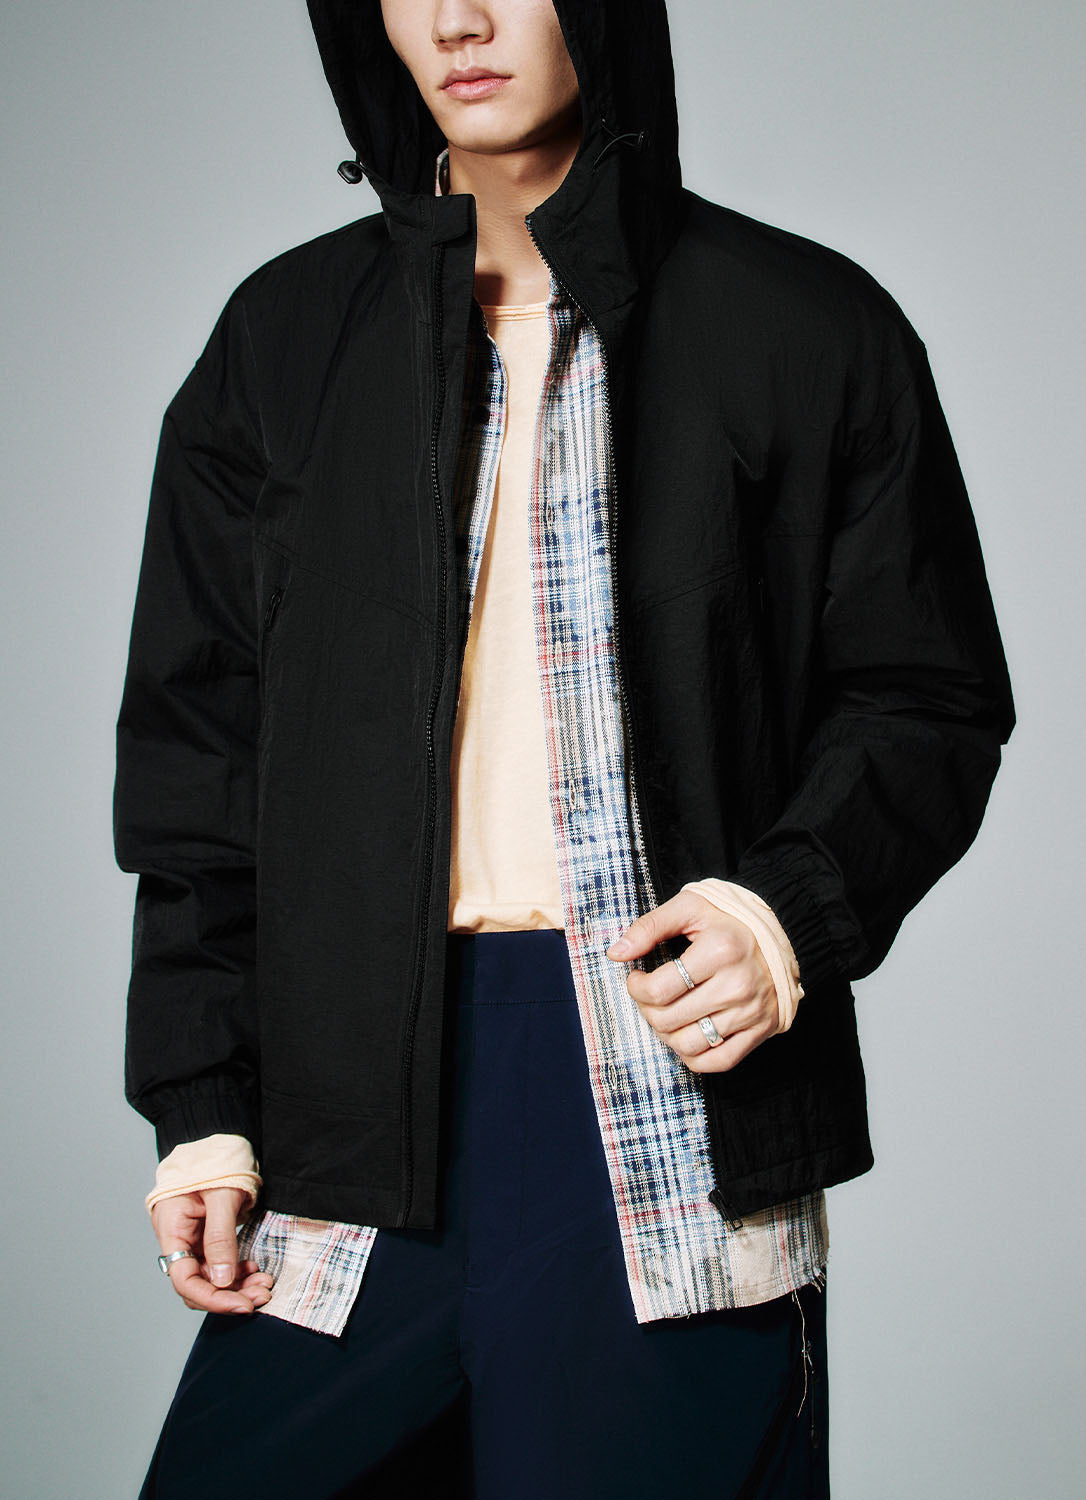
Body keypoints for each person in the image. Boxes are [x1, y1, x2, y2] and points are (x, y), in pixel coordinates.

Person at [113, 1, 1015, 1495]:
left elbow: (925, 694)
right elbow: (199, 751)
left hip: (669, 1096)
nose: (458, 19)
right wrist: (202, 1107)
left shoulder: (803, 323)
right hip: (348, 1093)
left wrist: (781, 913)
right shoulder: (283, 338)